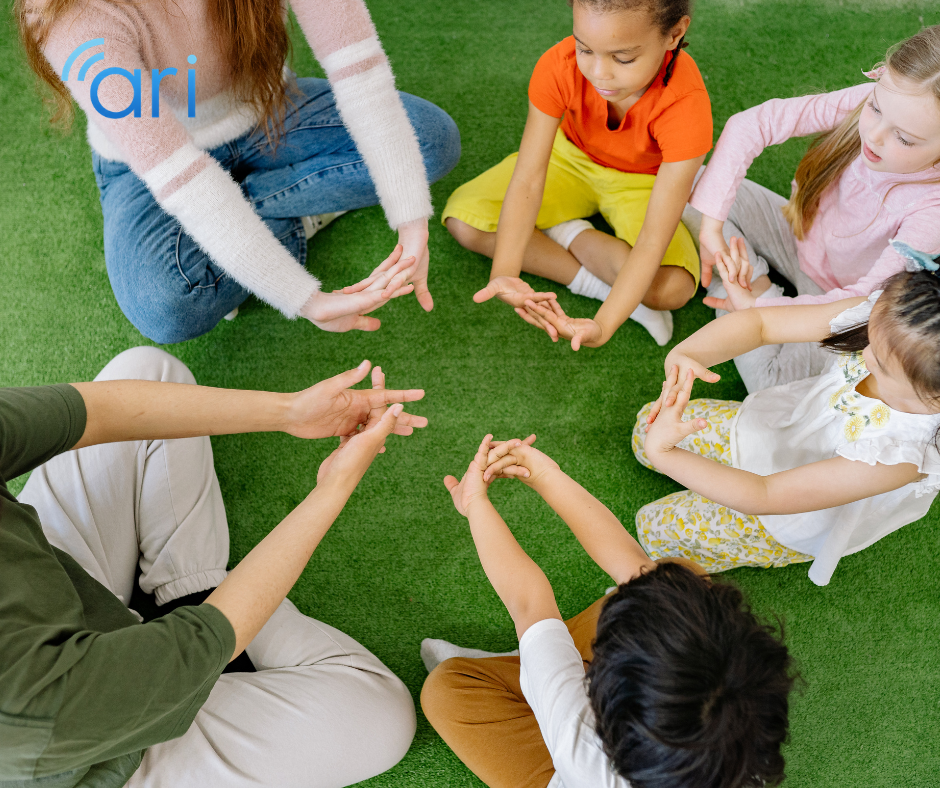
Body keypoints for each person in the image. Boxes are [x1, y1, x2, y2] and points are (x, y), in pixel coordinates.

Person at [0, 346, 427, 787]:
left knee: (152, 372)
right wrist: (334, 486)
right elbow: (199, 641)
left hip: (59, 588)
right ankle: (197, 593)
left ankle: (190, 587)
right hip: (101, 753)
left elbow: (97, 410)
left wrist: (292, 411)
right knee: (380, 715)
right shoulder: (24, 709)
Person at [16, 0, 461, 343]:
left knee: (431, 143)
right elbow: (183, 179)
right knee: (165, 306)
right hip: (149, 167)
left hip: (266, 110)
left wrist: (410, 217)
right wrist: (304, 299)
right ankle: (295, 213)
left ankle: (245, 235)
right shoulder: (66, 15)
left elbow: (359, 69)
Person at [420, 435, 795, 788]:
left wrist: (475, 504)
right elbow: (633, 565)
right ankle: (537, 661)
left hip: (562, 766)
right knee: (678, 580)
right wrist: (546, 475)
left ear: (600, 700)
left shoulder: (578, 741)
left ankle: (529, 665)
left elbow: (528, 602)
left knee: (445, 690)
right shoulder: (738, 736)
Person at [632, 242, 940, 586]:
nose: (865, 352)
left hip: (784, 514)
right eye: (869, 337)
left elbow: (765, 494)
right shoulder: (892, 319)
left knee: (654, 527)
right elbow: (762, 324)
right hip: (776, 426)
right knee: (646, 427)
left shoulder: (903, 456)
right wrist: (689, 354)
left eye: (880, 364)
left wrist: (666, 454)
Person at [683, 24, 940, 392]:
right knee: (696, 183)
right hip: (797, 234)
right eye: (875, 108)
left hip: (840, 302)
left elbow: (863, 302)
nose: (875, 135)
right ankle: (748, 280)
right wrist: (711, 230)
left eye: (904, 138)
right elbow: (751, 125)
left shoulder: (933, 211)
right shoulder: (890, 101)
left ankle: (751, 289)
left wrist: (761, 311)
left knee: (769, 384)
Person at [444, 0, 712, 349]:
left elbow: (651, 239)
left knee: (671, 288)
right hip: (567, 158)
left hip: (643, 181)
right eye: (584, 48)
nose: (598, 73)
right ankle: (598, 284)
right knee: (465, 222)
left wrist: (602, 327)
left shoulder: (686, 107)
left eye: (623, 58)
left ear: (674, 34)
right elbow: (529, 177)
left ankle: (566, 231)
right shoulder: (558, 64)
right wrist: (505, 272)